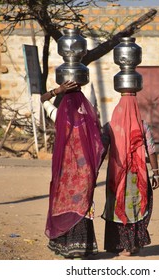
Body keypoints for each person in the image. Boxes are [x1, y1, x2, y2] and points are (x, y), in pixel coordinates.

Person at [41, 80, 104, 259]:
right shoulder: (89, 118)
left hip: (65, 173)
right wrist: (94, 167)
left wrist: (56, 91)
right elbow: (100, 144)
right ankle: (82, 247)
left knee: (67, 203)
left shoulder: (58, 114)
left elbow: (43, 100)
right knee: (82, 203)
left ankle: (66, 246)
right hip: (85, 172)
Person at [100, 92, 159, 256]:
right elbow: (152, 150)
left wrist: (95, 170)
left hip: (116, 175)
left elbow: (101, 150)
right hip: (136, 175)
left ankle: (118, 243)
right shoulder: (142, 126)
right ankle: (132, 244)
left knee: (117, 205)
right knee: (134, 207)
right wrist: (155, 173)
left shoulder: (109, 126)